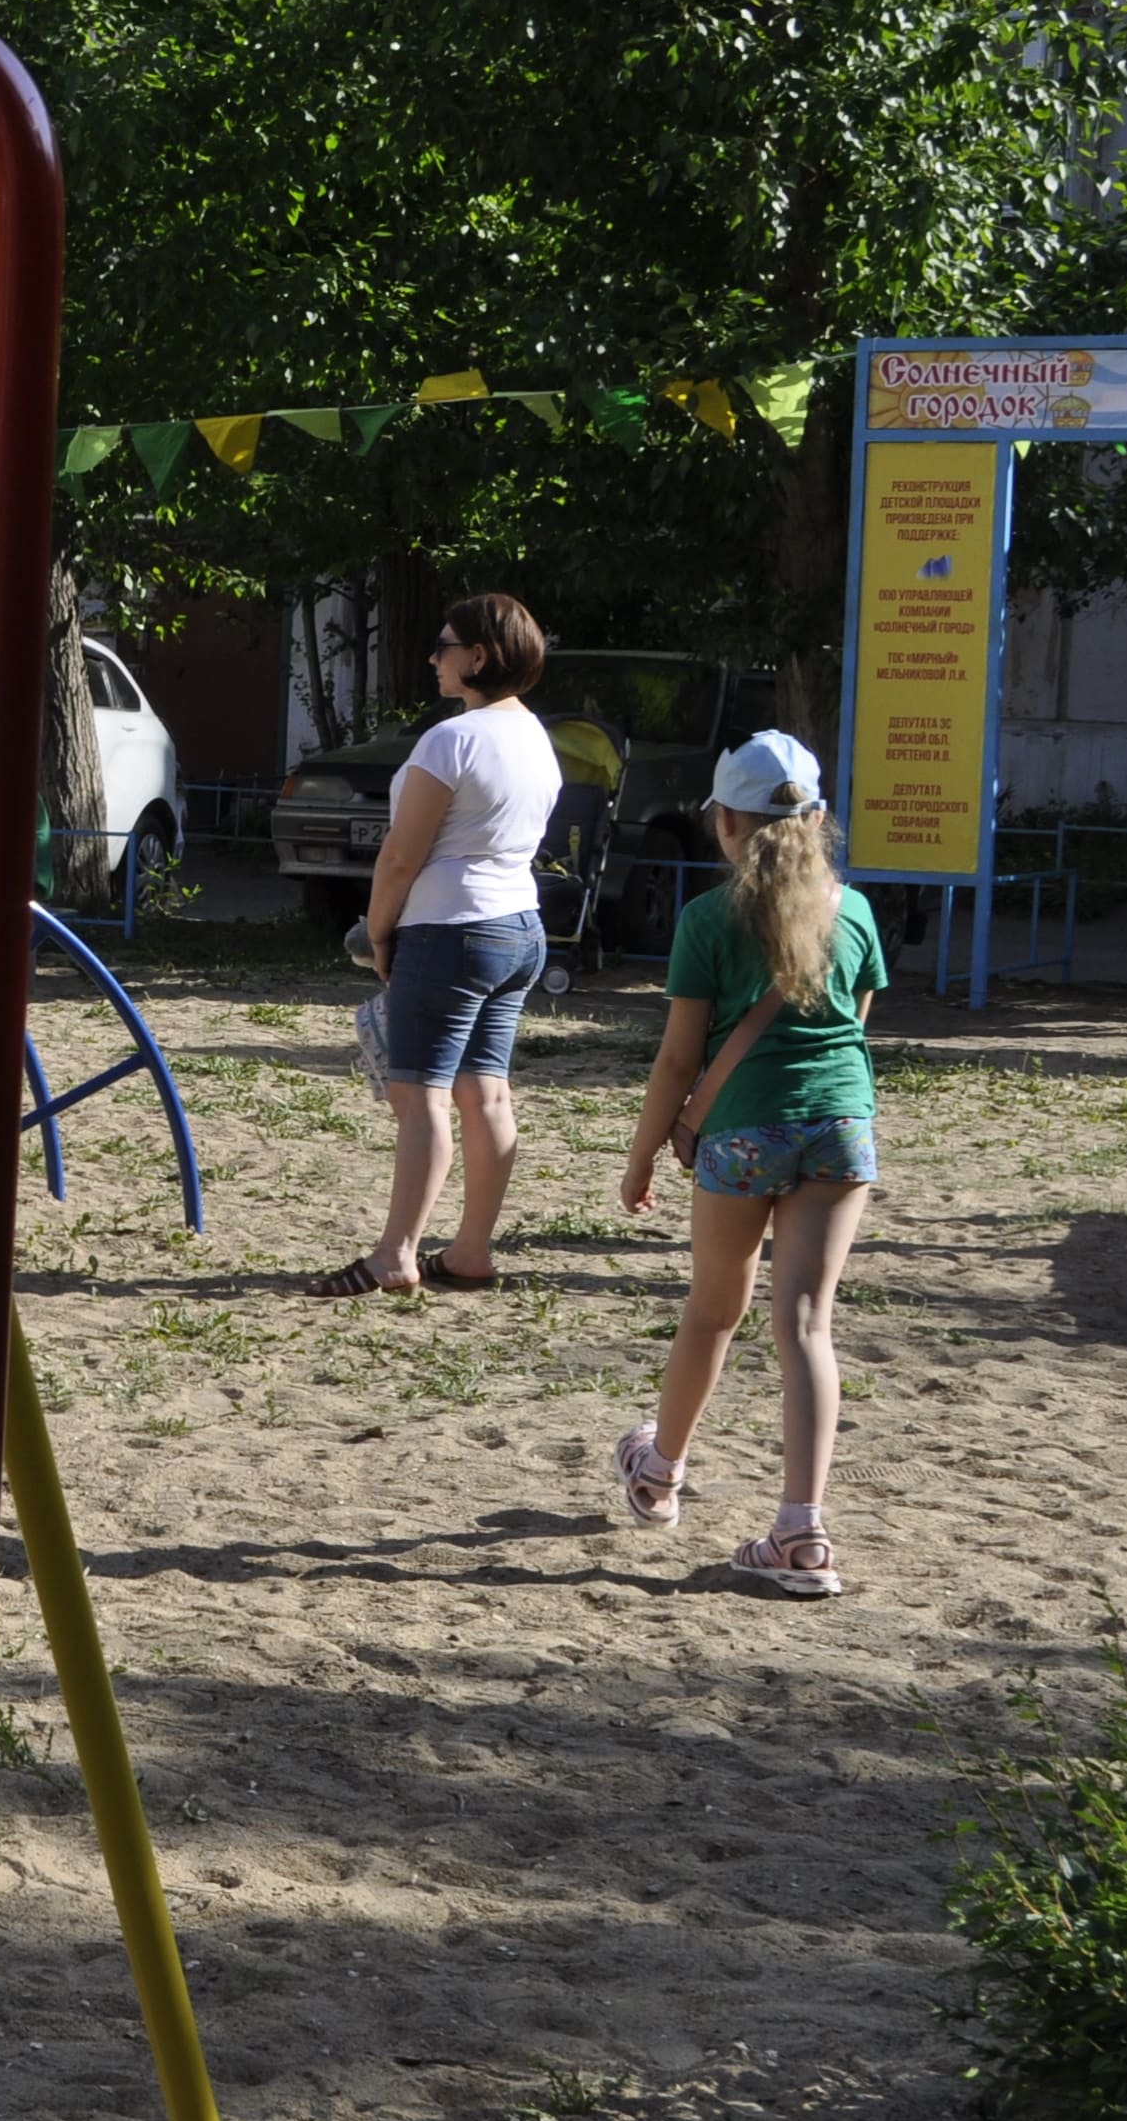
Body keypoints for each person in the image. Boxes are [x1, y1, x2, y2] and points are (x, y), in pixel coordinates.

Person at [614, 732, 886, 1598]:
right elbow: (857, 1020)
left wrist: (643, 1154)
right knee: (807, 1324)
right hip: (842, 1129)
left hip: (740, 1135)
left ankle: (660, 1472)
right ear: (816, 821)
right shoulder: (858, 911)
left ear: (725, 824)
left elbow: (676, 1061)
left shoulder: (705, 922)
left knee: (712, 1312)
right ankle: (802, 1535)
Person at [311, 593, 558, 1299]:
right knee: (486, 1092)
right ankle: (473, 1249)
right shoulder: (536, 735)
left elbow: (400, 856)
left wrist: (378, 930)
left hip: (451, 928)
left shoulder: (452, 740)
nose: (434, 656)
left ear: (478, 656)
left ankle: (397, 1253)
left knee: (419, 1097)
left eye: (445, 644)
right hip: (517, 926)